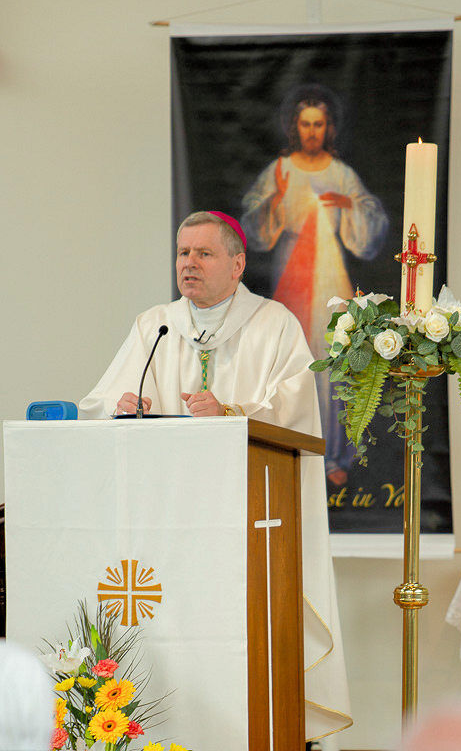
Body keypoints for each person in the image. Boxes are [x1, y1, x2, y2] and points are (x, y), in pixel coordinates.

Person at [79, 210, 352, 743]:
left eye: (203, 254)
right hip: (171, 525)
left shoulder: (274, 324)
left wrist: (230, 411)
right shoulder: (154, 325)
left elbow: (296, 411)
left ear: (237, 263)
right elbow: (98, 399)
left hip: (251, 520)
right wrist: (123, 404)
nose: (189, 264)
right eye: (183, 253)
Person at [241, 84, 388, 483]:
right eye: (305, 124)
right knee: (294, 359)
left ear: (328, 128)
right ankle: (293, 447)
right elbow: (254, 224)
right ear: (295, 126)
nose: (311, 131)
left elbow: (370, 219)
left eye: (318, 124)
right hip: (291, 273)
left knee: (332, 356)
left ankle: (334, 455)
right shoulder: (279, 170)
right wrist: (275, 201)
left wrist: (350, 205)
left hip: (330, 278)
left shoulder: (340, 173)